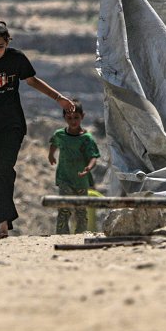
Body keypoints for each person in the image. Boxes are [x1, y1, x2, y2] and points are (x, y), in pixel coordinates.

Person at [0, 21, 74, 239]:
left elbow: (32, 80)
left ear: (7, 43)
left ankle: (3, 226)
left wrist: (58, 98)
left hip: (11, 125)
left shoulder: (16, 59)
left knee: (4, 170)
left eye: (0, 46)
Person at [48, 99, 99, 234]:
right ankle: (62, 235)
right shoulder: (60, 134)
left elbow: (93, 156)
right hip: (64, 178)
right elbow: (54, 143)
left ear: (82, 116)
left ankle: (80, 236)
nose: (73, 121)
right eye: (69, 118)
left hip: (81, 181)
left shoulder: (87, 138)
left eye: (76, 117)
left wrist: (88, 167)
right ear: (64, 118)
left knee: (81, 211)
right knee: (64, 208)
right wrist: (51, 155)